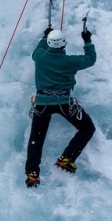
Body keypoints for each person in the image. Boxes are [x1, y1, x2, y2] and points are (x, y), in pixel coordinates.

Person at [24, 26, 96, 188]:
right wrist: (87, 41)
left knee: (36, 139)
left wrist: (45, 36)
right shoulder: (70, 61)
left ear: (49, 44)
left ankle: (32, 174)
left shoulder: (40, 57)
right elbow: (90, 59)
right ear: (64, 44)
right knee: (87, 128)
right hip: (64, 103)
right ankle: (67, 158)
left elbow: (39, 49)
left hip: (43, 104)